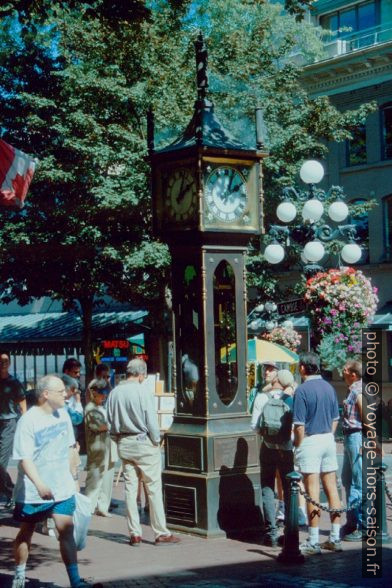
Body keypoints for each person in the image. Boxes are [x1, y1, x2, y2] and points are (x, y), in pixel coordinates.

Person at [11, 374, 102, 588]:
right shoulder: (28, 421)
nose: (66, 394)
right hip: (34, 492)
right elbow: (24, 459)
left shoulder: (63, 415)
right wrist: (39, 484)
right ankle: (19, 574)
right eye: (61, 391)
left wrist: (73, 478)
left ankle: (75, 581)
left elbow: (71, 447)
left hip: (62, 488)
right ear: (45, 394)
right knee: (27, 530)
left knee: (66, 530)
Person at [107, 358, 180, 546]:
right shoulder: (143, 391)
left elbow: (110, 422)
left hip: (124, 441)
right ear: (142, 374)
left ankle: (134, 533)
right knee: (153, 487)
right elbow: (151, 420)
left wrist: (118, 439)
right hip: (143, 441)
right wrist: (156, 440)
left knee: (130, 489)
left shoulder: (115, 393)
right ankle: (161, 532)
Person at [293, 352, 342, 555]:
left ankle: (313, 540)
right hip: (327, 439)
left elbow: (299, 425)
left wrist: (298, 444)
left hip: (310, 440)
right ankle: (335, 537)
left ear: (303, 368)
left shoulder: (302, 390)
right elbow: (335, 418)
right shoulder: (328, 387)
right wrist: (328, 435)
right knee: (331, 488)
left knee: (312, 489)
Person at [251, 369, 294, 546]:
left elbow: (254, 426)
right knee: (290, 489)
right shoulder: (291, 400)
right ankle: (291, 532)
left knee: (267, 487)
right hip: (286, 449)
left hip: (267, 447)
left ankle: (271, 533)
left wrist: (266, 434)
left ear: (276, 380)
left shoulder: (262, 398)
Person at [84, 379, 115, 517]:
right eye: (101, 393)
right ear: (93, 392)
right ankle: (88, 508)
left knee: (108, 478)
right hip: (97, 449)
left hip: (108, 446)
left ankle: (103, 506)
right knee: (94, 480)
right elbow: (100, 426)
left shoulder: (101, 407)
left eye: (105, 393)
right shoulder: (90, 409)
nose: (104, 396)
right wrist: (114, 424)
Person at [0, 351, 26, 510]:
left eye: (5, 361)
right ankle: (11, 492)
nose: (3, 363)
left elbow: (22, 401)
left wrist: (25, 421)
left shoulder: (14, 382)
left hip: (8, 424)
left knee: (1, 464)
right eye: (0, 360)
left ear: (9, 363)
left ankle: (10, 493)